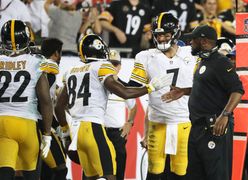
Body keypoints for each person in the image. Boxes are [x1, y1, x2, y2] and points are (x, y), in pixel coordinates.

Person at [54, 34, 172, 179]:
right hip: (93, 128)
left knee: (91, 176)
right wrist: (150, 87)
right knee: (109, 175)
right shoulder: (101, 66)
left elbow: (59, 107)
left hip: (76, 131)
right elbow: (124, 92)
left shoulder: (71, 71)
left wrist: (65, 130)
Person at [161, 24, 244, 180]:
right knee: (194, 174)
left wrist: (225, 115)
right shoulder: (203, 62)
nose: (191, 43)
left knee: (216, 175)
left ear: (204, 41)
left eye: (193, 40)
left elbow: (237, 90)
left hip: (213, 127)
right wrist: (184, 91)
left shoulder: (221, 62)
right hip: (198, 127)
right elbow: (207, 88)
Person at [128, 12, 197, 180]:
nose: (162, 39)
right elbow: (132, 89)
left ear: (175, 33)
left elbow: (205, 86)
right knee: (154, 172)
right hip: (156, 122)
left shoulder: (191, 54)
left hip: (184, 122)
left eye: (166, 34)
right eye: (159, 35)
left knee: (181, 172)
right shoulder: (145, 56)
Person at [0, 20, 53, 180]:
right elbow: (45, 101)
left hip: (3, 123)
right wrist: (47, 134)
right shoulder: (35, 61)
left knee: (5, 172)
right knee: (31, 174)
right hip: (27, 124)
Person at [104, 50, 137, 180]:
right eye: (109, 63)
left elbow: (133, 107)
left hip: (117, 134)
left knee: (118, 172)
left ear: (120, 66)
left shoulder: (124, 86)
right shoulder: (96, 84)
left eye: (115, 64)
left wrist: (129, 123)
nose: (112, 67)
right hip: (98, 131)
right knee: (93, 171)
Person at [40, 38, 69, 180]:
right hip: (42, 125)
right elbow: (43, 102)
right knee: (60, 169)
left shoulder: (36, 65)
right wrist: (55, 125)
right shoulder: (50, 70)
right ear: (56, 53)